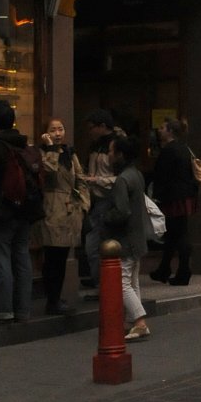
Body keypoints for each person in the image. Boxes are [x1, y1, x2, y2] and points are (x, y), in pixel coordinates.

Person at [0, 98, 43, 324]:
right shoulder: (24, 145)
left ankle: (3, 310)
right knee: (22, 258)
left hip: (0, 213)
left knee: (1, 260)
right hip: (24, 211)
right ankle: (23, 309)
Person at [36, 118, 89, 316]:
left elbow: (81, 178)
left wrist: (84, 203)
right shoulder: (43, 153)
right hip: (52, 208)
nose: (58, 133)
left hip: (70, 210)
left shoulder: (70, 153)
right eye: (53, 130)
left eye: (60, 129)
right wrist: (50, 149)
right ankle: (52, 299)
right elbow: (48, 172)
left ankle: (56, 298)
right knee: (52, 257)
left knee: (62, 256)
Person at [102, 133, 151, 340]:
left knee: (122, 282)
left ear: (120, 154)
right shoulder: (136, 174)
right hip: (138, 237)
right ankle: (134, 321)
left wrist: (106, 217)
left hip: (126, 239)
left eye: (111, 151)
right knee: (132, 281)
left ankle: (139, 320)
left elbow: (122, 211)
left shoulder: (123, 179)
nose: (109, 155)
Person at [148, 117, 200, 286]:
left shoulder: (169, 150)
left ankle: (183, 271)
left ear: (170, 131)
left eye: (163, 127)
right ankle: (165, 268)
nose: (159, 130)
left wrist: (157, 195)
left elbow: (162, 175)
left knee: (179, 233)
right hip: (184, 196)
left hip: (174, 197)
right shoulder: (184, 148)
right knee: (173, 233)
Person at [80, 109, 117, 290]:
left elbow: (121, 176)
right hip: (94, 199)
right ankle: (102, 284)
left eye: (92, 128)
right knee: (94, 245)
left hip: (107, 198)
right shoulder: (95, 146)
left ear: (102, 126)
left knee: (95, 245)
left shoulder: (115, 146)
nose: (89, 132)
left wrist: (98, 180)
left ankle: (105, 286)